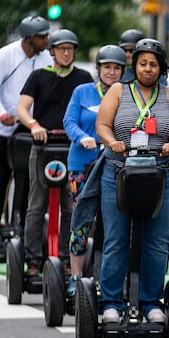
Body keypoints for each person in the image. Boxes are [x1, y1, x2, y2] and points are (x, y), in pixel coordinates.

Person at [84, 38, 169, 324]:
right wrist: (112, 142)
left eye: (153, 64)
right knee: (116, 238)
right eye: (143, 63)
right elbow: (103, 125)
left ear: (161, 68)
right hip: (119, 172)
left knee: (157, 239)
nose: (148, 69)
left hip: (161, 173)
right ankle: (110, 302)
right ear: (134, 65)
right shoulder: (119, 90)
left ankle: (150, 302)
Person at [16, 29, 93, 277]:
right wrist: (34, 125)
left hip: (72, 149)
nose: (67, 53)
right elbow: (23, 108)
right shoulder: (38, 76)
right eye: (62, 49)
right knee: (36, 205)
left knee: (70, 206)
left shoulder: (84, 78)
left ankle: (66, 260)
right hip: (42, 146)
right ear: (52, 52)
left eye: (71, 49)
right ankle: (33, 261)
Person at [0, 15, 53, 248]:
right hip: (2, 126)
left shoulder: (45, 58)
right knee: (0, 175)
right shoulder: (6, 55)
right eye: (42, 37)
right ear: (29, 39)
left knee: (29, 176)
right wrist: (1, 112)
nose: (46, 40)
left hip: (30, 126)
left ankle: (20, 224)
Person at [63, 44, 126, 296]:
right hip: (82, 165)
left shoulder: (127, 94)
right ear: (98, 68)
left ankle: (108, 278)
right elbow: (69, 121)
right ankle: (76, 276)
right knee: (81, 221)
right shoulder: (83, 92)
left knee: (113, 223)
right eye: (107, 67)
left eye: (116, 68)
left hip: (114, 165)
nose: (111, 72)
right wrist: (81, 137)